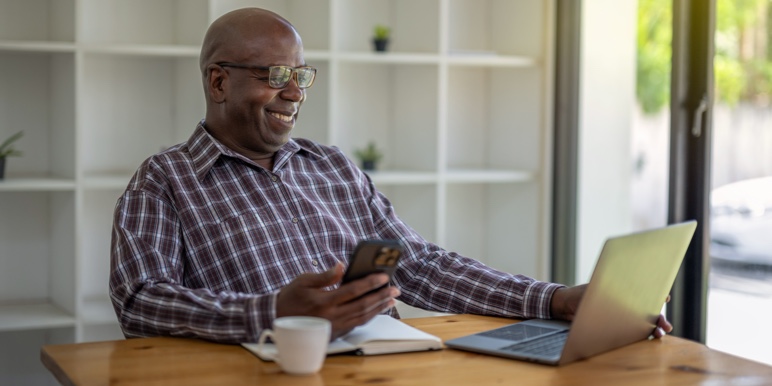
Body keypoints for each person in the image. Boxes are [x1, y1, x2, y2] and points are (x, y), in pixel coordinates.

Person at [109, 7, 672, 344]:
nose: (293, 92)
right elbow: (139, 305)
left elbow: (419, 266)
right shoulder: (165, 181)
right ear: (218, 82)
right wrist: (275, 311)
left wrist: (555, 300)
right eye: (274, 74)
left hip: (385, 365)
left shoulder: (330, 166)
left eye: (301, 76)